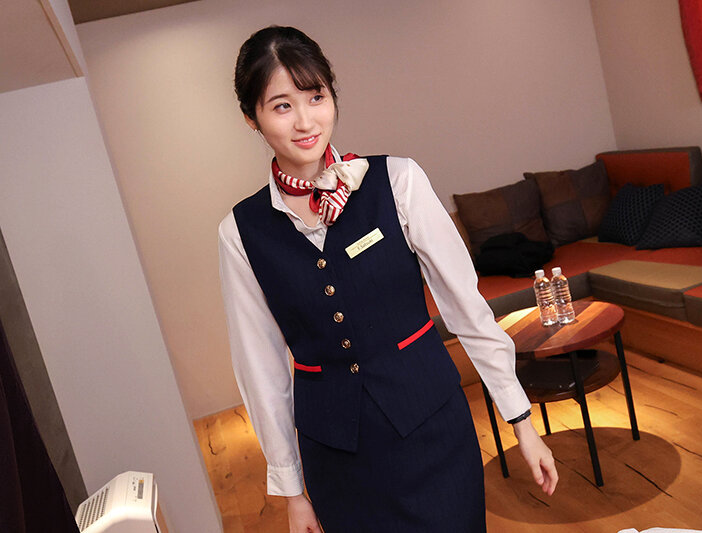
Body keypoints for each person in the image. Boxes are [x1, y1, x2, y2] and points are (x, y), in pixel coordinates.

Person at [218, 25, 558, 533]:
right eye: (282, 106)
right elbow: (260, 368)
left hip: (433, 433)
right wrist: (292, 492)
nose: (306, 121)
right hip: (336, 459)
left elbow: (466, 308)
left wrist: (520, 421)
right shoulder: (240, 232)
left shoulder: (398, 181)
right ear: (252, 117)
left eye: (316, 97)